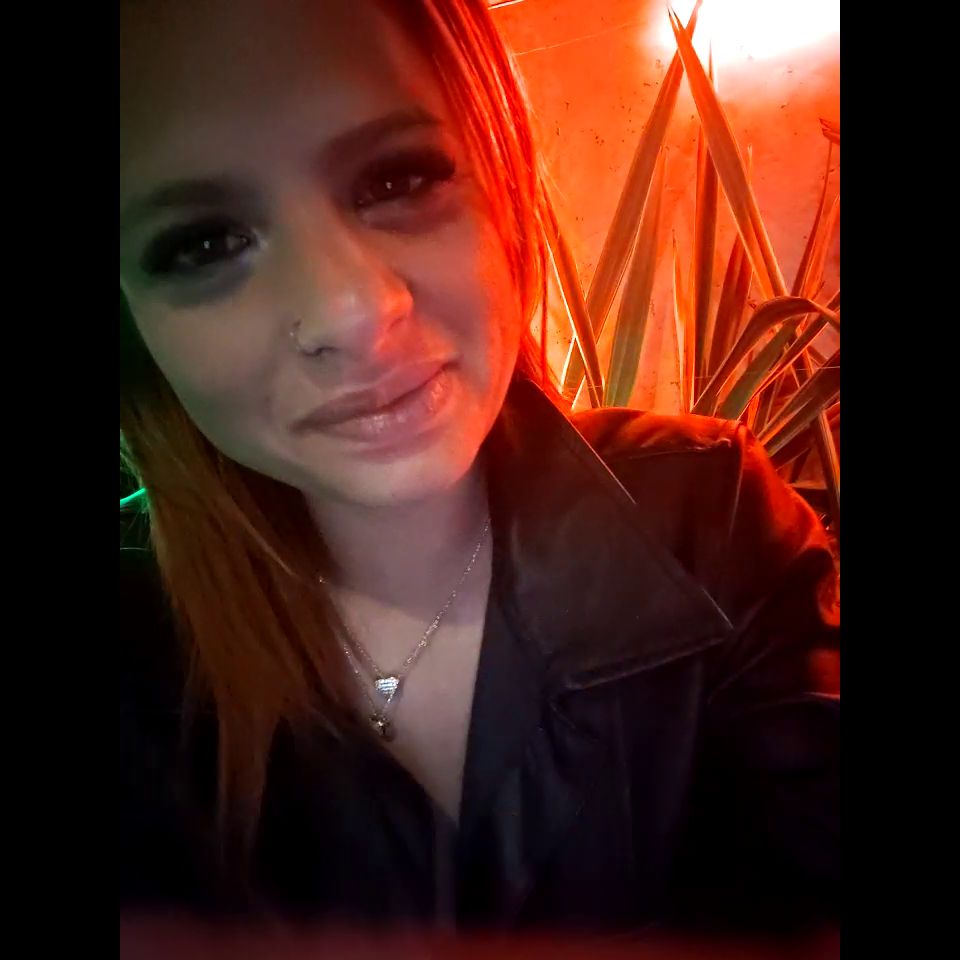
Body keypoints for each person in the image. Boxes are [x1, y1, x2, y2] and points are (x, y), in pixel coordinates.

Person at [120, 0, 839, 939]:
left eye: (397, 177)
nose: (351, 311)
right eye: (203, 243)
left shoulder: (710, 519)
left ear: (499, 179)